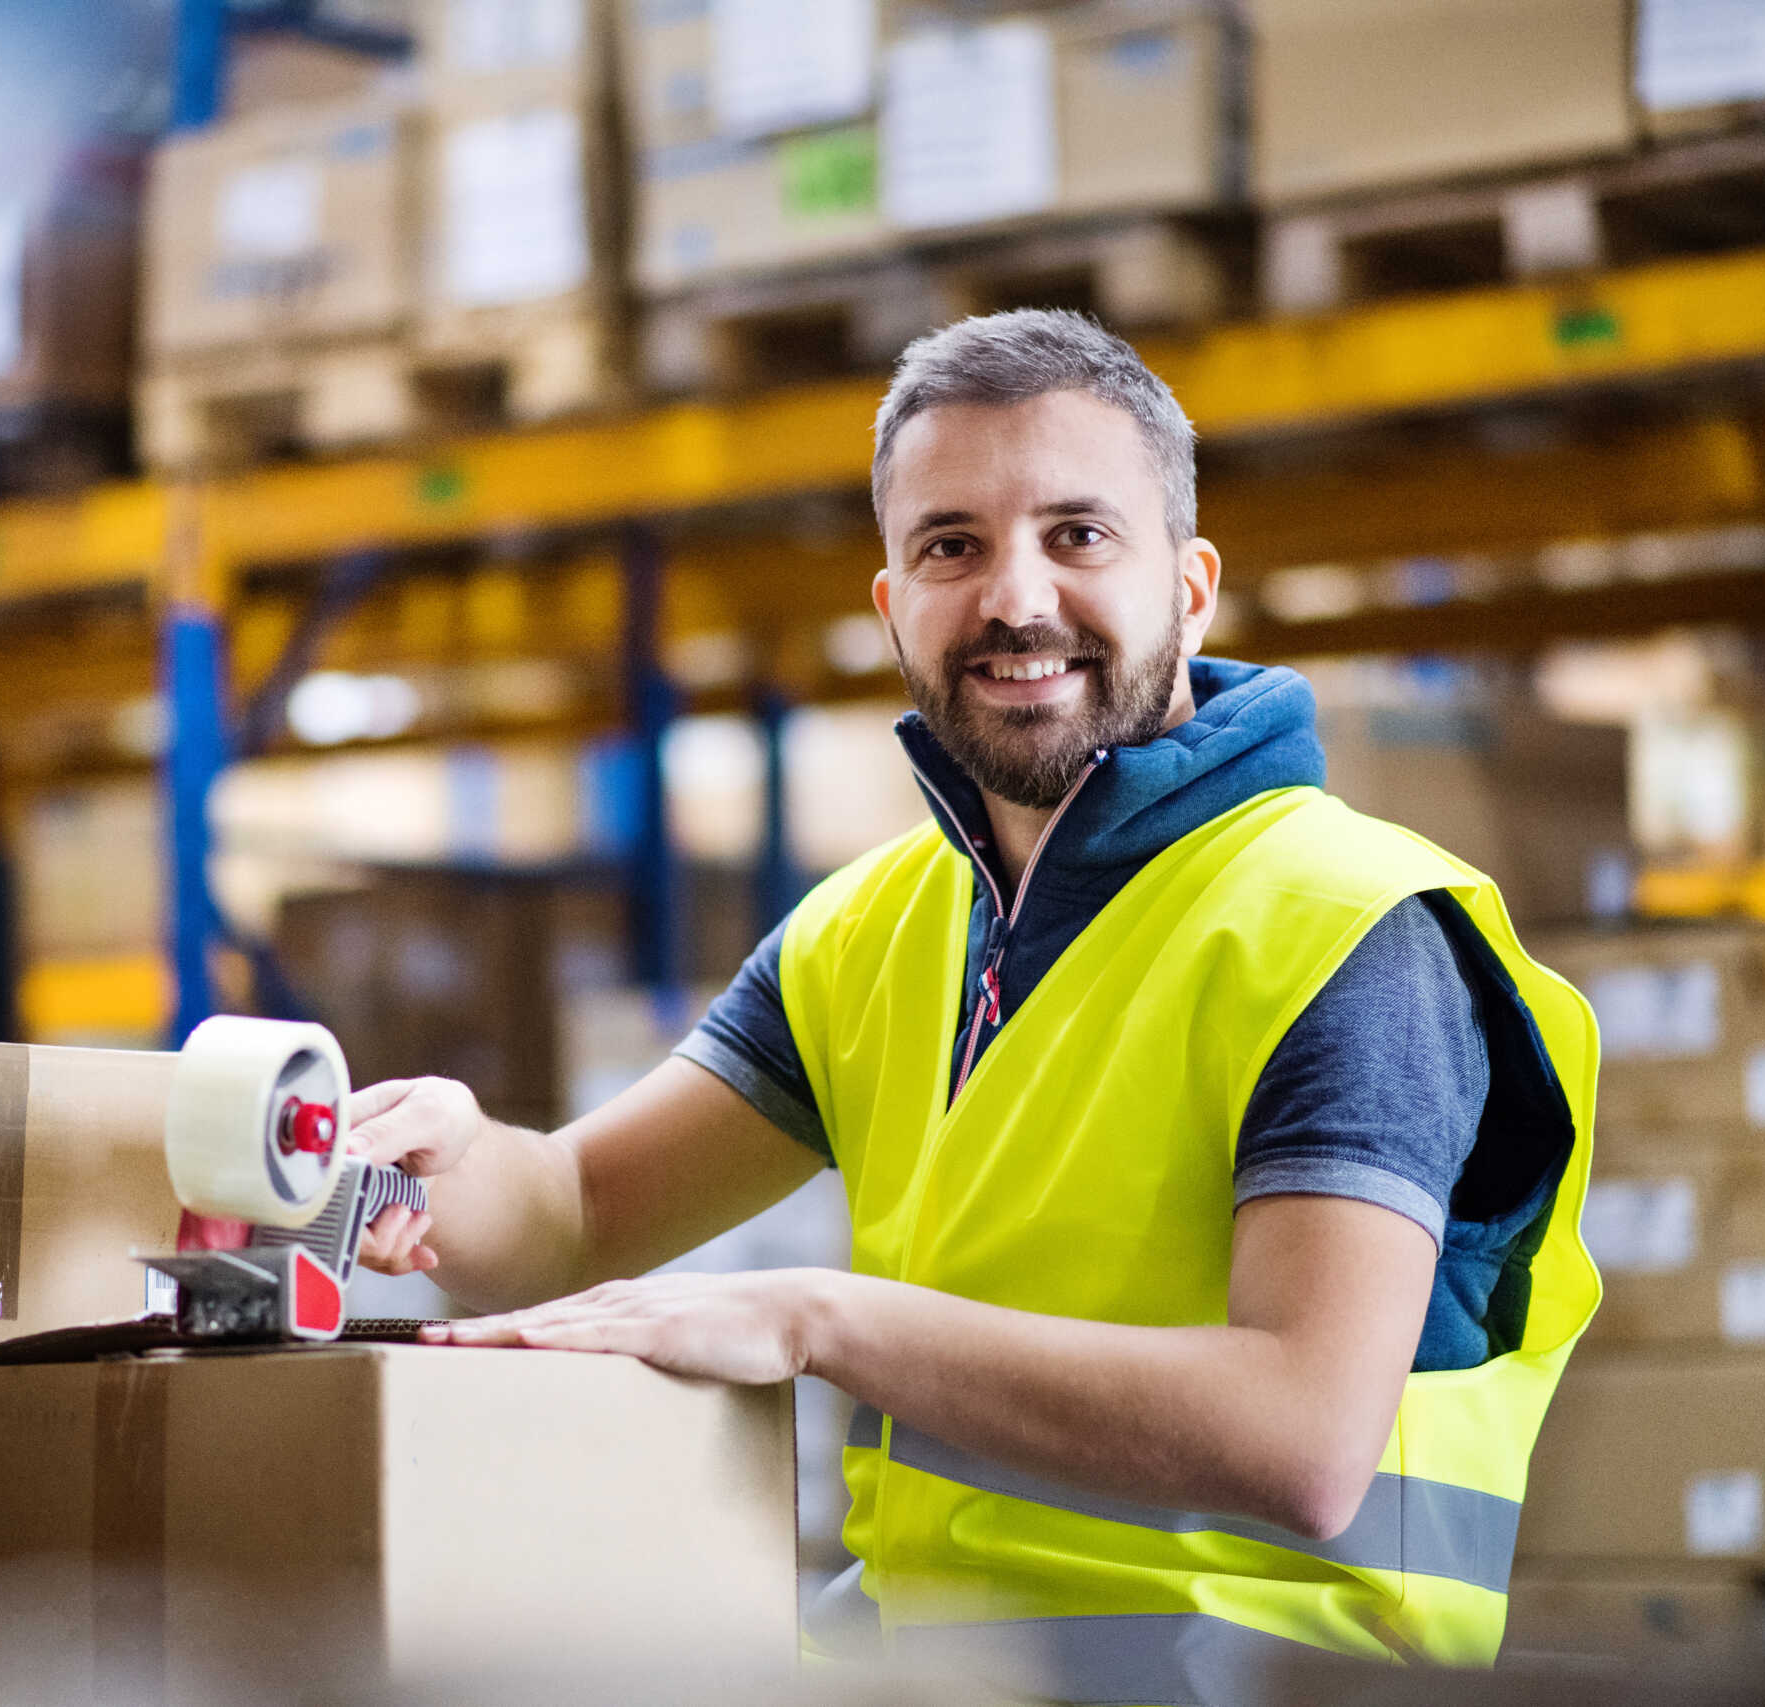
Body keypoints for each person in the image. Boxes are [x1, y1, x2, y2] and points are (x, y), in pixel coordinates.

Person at [341, 310, 1600, 1703]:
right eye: (954, 546)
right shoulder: (874, 930)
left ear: (1191, 590)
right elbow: (576, 1210)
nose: (1016, 599)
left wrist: (821, 1318)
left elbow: (1302, 1438)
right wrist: (457, 1171)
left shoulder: (1344, 931)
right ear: (891, 606)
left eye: (1078, 535)